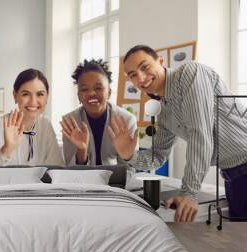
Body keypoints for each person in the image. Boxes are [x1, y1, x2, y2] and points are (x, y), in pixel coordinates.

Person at [111, 44, 247, 222]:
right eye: (133, 75)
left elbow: (200, 134)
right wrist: (129, 155)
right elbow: (157, 156)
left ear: (160, 61)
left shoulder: (191, 73)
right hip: (233, 177)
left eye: (145, 67)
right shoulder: (164, 112)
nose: (141, 78)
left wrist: (189, 193)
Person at [0, 69, 64, 165]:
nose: (33, 101)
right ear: (15, 95)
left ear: (47, 96)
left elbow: (57, 167)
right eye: (25, 94)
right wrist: (6, 149)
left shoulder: (45, 125)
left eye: (40, 94)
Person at [61, 59, 137, 167]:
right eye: (84, 89)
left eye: (98, 88)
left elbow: (131, 170)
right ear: (78, 96)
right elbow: (70, 167)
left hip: (115, 180)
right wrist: (81, 151)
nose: (92, 93)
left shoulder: (126, 119)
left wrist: (127, 156)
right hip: (82, 181)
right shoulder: (70, 122)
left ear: (109, 93)